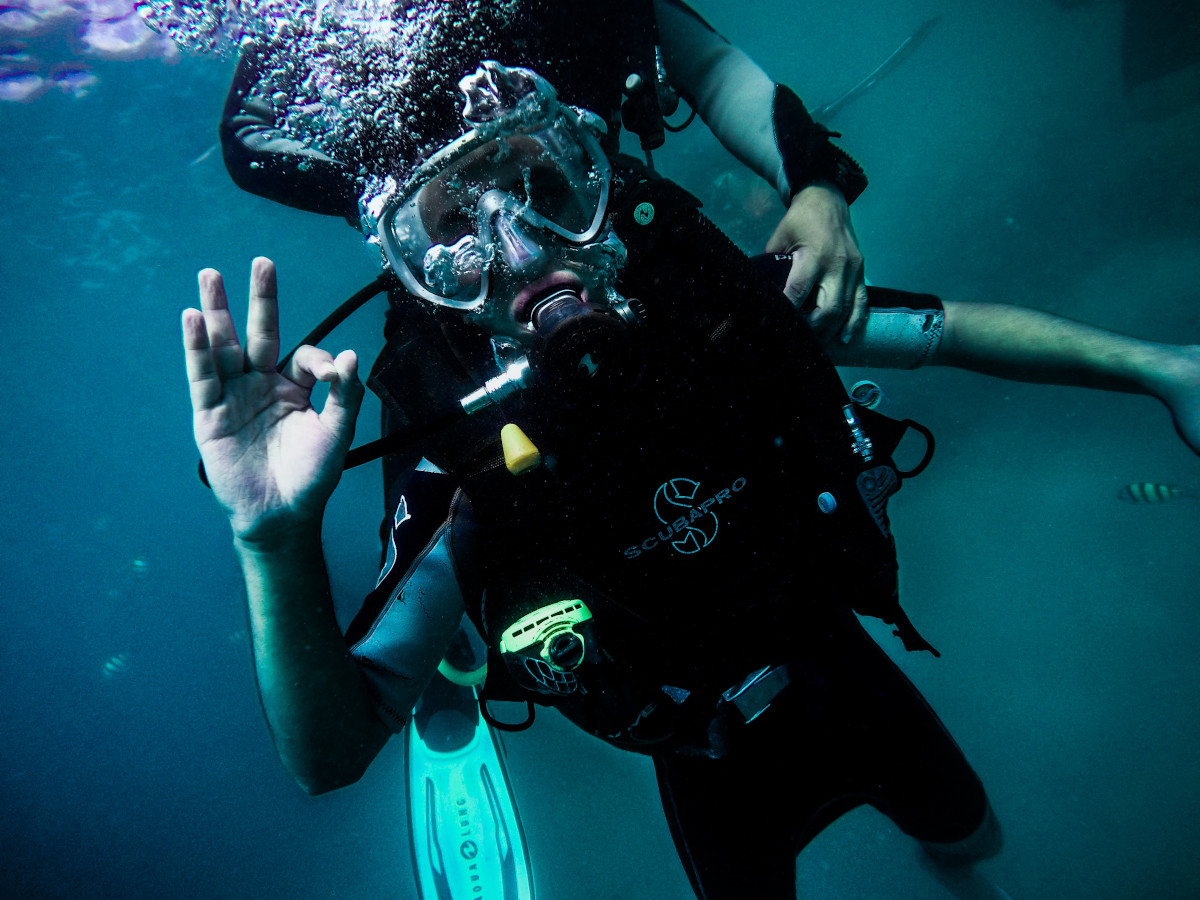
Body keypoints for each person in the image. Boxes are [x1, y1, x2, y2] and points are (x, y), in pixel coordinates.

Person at [186, 46, 1200, 898]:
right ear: (426, 285)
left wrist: (1166, 369)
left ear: (600, 186)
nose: (524, 246)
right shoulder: (466, 475)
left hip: (843, 671)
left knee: (973, 846)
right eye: (454, 237)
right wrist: (269, 537)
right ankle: (454, 689)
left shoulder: (724, 318)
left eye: (548, 189)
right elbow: (328, 757)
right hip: (700, 751)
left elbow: (950, 331)